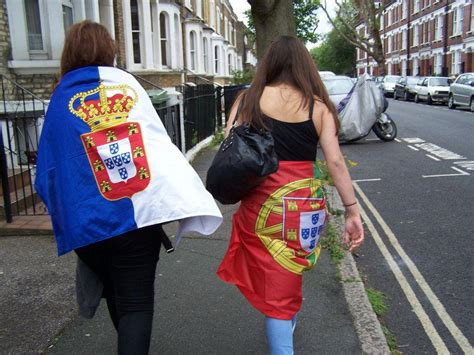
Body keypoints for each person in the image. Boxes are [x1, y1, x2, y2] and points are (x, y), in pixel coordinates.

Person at [35, 21, 222, 354]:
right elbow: (158, 145)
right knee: (135, 303)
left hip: (88, 225)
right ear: (110, 49)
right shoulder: (129, 88)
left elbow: (49, 170)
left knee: (116, 294)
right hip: (136, 219)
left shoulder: (59, 99)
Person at [216, 36, 364, 354]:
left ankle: (283, 334)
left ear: (269, 64)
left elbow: (228, 145)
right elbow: (335, 161)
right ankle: (286, 322)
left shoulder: (248, 99)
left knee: (276, 292)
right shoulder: (318, 106)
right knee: (288, 273)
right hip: (304, 205)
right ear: (304, 66)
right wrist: (352, 211)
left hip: (262, 202)